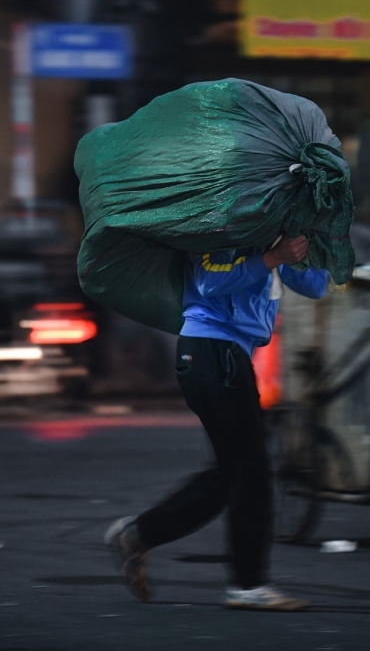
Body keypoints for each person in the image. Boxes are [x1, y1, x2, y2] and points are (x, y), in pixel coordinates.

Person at [105, 235, 327, 611]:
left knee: (232, 472)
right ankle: (247, 584)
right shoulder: (221, 229)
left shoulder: (268, 236)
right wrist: (272, 256)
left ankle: (139, 534)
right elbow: (211, 281)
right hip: (209, 352)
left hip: (230, 357)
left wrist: (311, 247)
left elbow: (315, 286)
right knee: (249, 471)